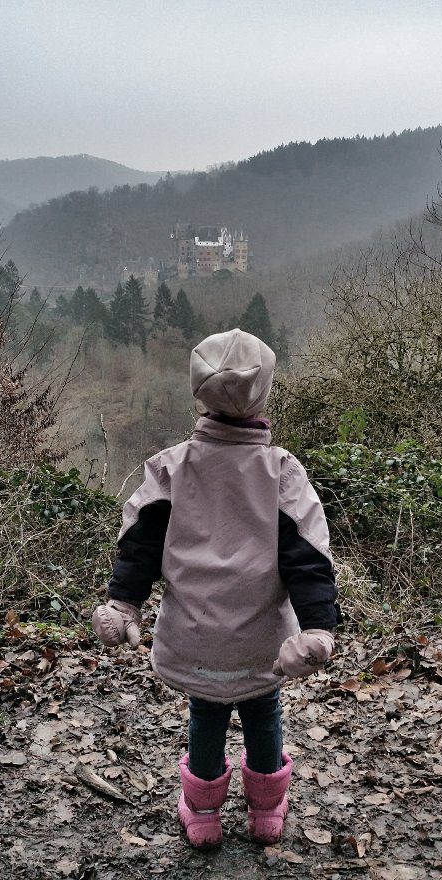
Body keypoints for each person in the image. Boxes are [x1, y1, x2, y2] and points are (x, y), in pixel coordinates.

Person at [92, 328, 339, 849]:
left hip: (195, 637)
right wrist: (317, 628)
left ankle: (203, 816)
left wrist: (123, 604)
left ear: (197, 390)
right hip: (262, 643)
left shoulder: (170, 468)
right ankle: (267, 812)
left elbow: (140, 546)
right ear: (264, 394)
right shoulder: (281, 473)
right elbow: (307, 560)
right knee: (264, 715)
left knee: (205, 717)